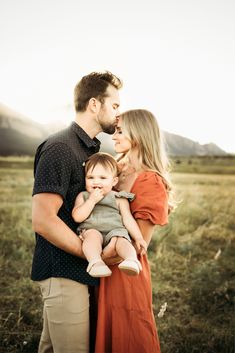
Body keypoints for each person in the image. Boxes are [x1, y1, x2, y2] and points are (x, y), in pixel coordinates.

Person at [31, 71, 122, 353]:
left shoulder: (89, 151)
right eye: (115, 105)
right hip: (62, 271)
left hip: (79, 271)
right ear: (94, 105)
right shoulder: (61, 148)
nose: (119, 113)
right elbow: (43, 220)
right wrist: (92, 253)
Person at [95, 109, 173, 353]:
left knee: (127, 337)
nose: (114, 137)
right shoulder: (116, 168)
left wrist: (92, 256)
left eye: (120, 131)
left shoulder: (150, 180)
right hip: (100, 265)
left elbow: (140, 242)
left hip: (125, 273)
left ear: (137, 135)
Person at [72, 152, 147, 278]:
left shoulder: (119, 198)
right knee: (92, 237)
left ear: (114, 181)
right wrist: (91, 201)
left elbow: (128, 219)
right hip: (92, 229)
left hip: (115, 230)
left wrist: (138, 237)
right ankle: (96, 263)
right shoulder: (84, 196)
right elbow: (77, 217)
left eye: (102, 178)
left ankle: (131, 259)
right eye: (90, 177)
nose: (96, 182)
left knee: (122, 240)